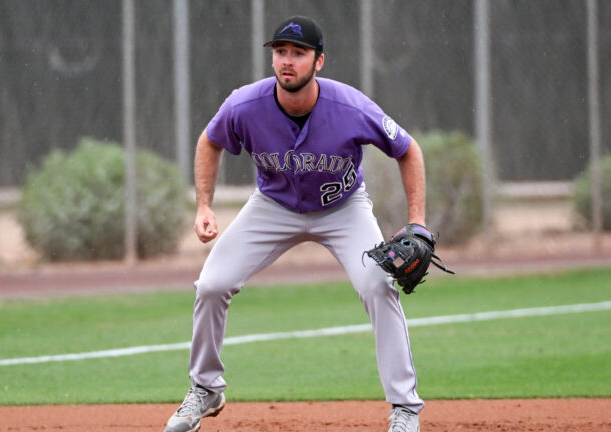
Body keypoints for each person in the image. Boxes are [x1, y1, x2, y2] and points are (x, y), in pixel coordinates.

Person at [165, 15, 426, 432]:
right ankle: (206, 388)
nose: (287, 61)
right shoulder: (244, 105)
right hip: (273, 206)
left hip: (344, 208)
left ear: (318, 61)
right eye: (281, 52)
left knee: (378, 285)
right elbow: (209, 140)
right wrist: (204, 206)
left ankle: (405, 408)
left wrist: (417, 222)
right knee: (211, 285)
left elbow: (407, 150)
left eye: (298, 53)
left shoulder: (350, 107)